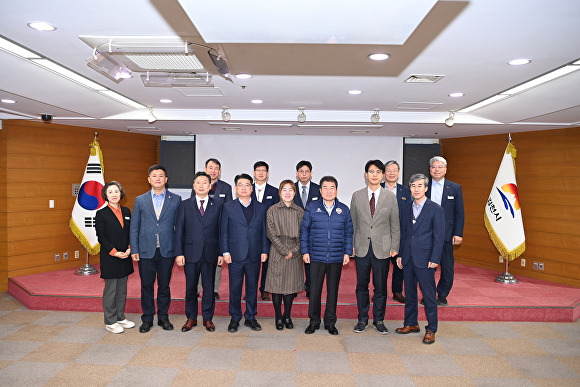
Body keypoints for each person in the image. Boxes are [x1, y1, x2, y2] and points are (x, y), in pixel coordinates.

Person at [130, 165, 181, 333]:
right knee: (146, 285)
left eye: (161, 176)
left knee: (164, 285)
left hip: (167, 249)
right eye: (154, 176)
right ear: (149, 179)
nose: (158, 178)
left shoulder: (176, 199)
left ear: (166, 179)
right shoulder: (140, 200)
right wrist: (135, 248)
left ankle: (163, 317)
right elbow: (134, 227)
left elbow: (179, 228)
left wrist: (179, 250)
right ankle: (147, 318)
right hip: (146, 249)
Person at [351, 160, 399, 334]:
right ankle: (362, 319)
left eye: (378, 171)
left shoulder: (390, 197)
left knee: (380, 286)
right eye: (371, 171)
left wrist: (394, 246)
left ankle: (379, 319)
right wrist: (351, 245)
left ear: (383, 175)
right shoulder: (357, 195)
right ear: (366, 174)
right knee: (361, 285)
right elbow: (353, 223)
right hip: (362, 247)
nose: (375, 175)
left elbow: (395, 224)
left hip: (383, 248)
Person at [301, 176, 353, 335]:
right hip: (316, 255)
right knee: (314, 290)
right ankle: (314, 321)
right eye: (325, 187)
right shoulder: (312, 207)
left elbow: (348, 232)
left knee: (333, 291)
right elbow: (304, 230)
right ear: (320, 190)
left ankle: (330, 322)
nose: (329, 191)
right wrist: (305, 251)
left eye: (332, 188)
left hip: (336, 256)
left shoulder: (343, 209)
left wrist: (347, 252)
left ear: (336, 190)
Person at [396, 173, 445, 344]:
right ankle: (411, 324)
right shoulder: (405, 208)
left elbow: (439, 237)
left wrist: (435, 258)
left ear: (426, 188)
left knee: (429, 295)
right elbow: (404, 234)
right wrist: (401, 254)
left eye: (419, 186)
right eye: (413, 186)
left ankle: (431, 328)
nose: (416, 189)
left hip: (426, 259)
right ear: (409, 188)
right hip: (408, 257)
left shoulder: (435, 209)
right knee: (409, 293)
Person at [220, 173, 270, 333]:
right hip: (235, 254)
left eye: (247, 185)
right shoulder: (228, 207)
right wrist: (225, 251)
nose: (244, 188)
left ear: (252, 187)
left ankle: (250, 316)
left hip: (254, 254)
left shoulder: (261, 207)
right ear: (236, 188)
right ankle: (235, 317)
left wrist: (264, 250)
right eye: (240, 185)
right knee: (235, 287)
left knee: (252, 287)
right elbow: (224, 232)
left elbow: (264, 231)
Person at [175, 171, 222, 333]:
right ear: (193, 186)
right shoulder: (184, 204)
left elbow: (222, 231)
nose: (201, 185)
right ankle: (191, 317)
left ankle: (208, 318)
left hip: (210, 252)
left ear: (210, 186)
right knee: (191, 287)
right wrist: (179, 253)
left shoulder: (218, 205)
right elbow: (179, 230)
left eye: (205, 183)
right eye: (198, 183)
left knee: (209, 288)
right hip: (190, 253)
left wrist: (221, 253)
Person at [95, 181, 134, 334]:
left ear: (121, 193)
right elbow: (101, 237)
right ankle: (110, 321)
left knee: (122, 290)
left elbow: (130, 232)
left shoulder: (126, 211)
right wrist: (114, 252)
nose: (114, 194)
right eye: (110, 192)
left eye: (116, 191)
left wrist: (130, 248)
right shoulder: (101, 214)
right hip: (111, 257)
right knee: (111, 290)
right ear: (105, 195)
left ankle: (120, 317)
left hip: (125, 255)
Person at [265, 180, 305, 330]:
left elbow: (304, 234)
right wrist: (283, 250)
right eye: (284, 190)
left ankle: (287, 315)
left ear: (295, 192)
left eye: (290, 190)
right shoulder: (272, 210)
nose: (287, 193)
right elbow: (271, 233)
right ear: (280, 192)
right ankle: (278, 316)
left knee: (290, 287)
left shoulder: (300, 211)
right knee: (277, 287)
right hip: (277, 251)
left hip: (295, 252)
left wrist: (294, 251)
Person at [426, 156, 464, 305]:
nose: (437, 170)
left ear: (446, 169)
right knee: (427, 267)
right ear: (429, 169)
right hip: (426, 234)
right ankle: (428, 294)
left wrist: (458, 233)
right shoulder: (423, 186)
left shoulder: (454, 188)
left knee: (447, 267)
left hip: (447, 234)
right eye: (434, 167)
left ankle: (442, 294)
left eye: (440, 167)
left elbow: (459, 213)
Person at [197, 158, 233, 300]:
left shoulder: (226, 187)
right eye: (210, 168)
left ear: (220, 171)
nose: (213, 171)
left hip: (217, 229)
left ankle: (214, 289)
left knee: (217, 261)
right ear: (205, 169)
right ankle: (197, 288)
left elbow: (229, 209)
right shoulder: (198, 184)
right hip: (199, 229)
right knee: (198, 259)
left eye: (216, 168)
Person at [382, 160, 412, 303]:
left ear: (399, 173)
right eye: (389, 170)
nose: (392, 173)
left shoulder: (405, 191)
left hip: (399, 233)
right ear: (384, 173)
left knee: (399, 264)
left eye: (395, 170)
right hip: (380, 234)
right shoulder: (377, 188)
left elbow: (408, 213)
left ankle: (397, 291)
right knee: (380, 265)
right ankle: (379, 291)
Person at [251, 161, 280, 301]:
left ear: (267, 173)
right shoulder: (246, 189)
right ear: (254, 173)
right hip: (250, 233)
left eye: (263, 170)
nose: (261, 173)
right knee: (250, 262)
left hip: (268, 232)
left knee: (267, 263)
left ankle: (264, 289)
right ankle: (250, 289)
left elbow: (276, 212)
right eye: (258, 170)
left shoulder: (274, 191)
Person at [293, 160, 320, 298]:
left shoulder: (318, 189)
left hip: (313, 232)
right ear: (297, 173)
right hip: (292, 231)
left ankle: (310, 288)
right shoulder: (290, 188)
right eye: (301, 171)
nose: (304, 174)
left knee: (311, 263)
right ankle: (293, 287)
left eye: (307, 171)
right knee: (293, 263)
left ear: (311, 173)